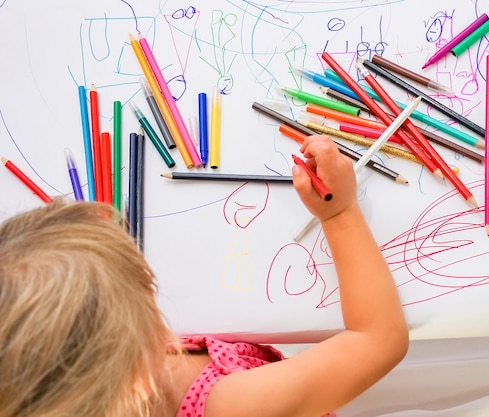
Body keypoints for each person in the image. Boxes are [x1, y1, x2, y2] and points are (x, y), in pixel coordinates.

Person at [0, 134, 408, 417]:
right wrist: (340, 213)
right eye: (143, 289)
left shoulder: (95, 377)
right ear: (135, 370)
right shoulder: (235, 406)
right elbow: (377, 339)